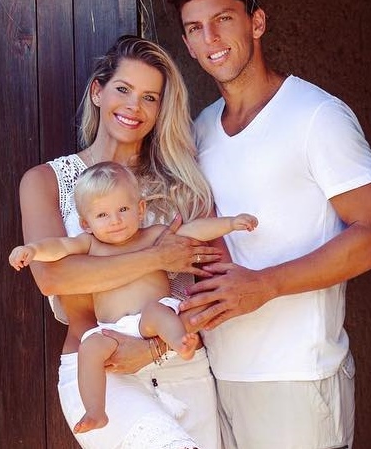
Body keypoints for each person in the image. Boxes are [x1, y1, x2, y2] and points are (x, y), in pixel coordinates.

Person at [170, 0, 371, 449]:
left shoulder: (316, 116)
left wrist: (265, 284)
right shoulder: (199, 130)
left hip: (299, 373)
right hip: (218, 372)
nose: (211, 38)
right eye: (195, 28)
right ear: (187, 44)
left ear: (256, 22)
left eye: (223, 19)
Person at [18, 35, 225, 449]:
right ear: (98, 92)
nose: (134, 107)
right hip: (101, 370)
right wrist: (158, 256)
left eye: (150, 98)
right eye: (123, 89)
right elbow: (54, 278)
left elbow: (210, 291)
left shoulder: (183, 187)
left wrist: (152, 349)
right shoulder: (46, 181)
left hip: (181, 365)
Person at [11, 161, 257, 434]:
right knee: (89, 348)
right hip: (113, 329)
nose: (115, 221)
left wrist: (230, 223)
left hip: (151, 318)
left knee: (158, 312)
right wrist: (33, 250)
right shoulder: (89, 244)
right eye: (102, 215)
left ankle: (179, 342)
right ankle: (95, 410)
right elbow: (58, 246)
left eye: (123, 210)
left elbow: (194, 231)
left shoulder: (154, 236)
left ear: (140, 209)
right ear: (85, 223)